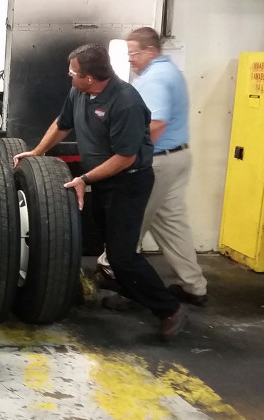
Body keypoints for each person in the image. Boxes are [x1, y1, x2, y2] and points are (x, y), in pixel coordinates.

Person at [13, 43, 185, 340]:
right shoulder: (79, 92)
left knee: (121, 256)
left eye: (73, 73)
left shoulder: (125, 102)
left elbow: (125, 157)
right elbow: (62, 123)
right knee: (103, 246)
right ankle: (133, 292)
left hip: (128, 183)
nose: (70, 77)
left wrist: (86, 179)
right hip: (103, 180)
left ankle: (169, 309)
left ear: (89, 77)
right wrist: (37, 152)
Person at [96, 27, 208, 307]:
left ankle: (125, 283)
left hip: (156, 162)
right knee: (172, 222)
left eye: (133, 52)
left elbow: (155, 125)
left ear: (150, 50)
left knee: (130, 224)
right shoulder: (171, 73)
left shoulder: (156, 78)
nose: (130, 59)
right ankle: (194, 285)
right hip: (178, 157)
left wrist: (130, 157)